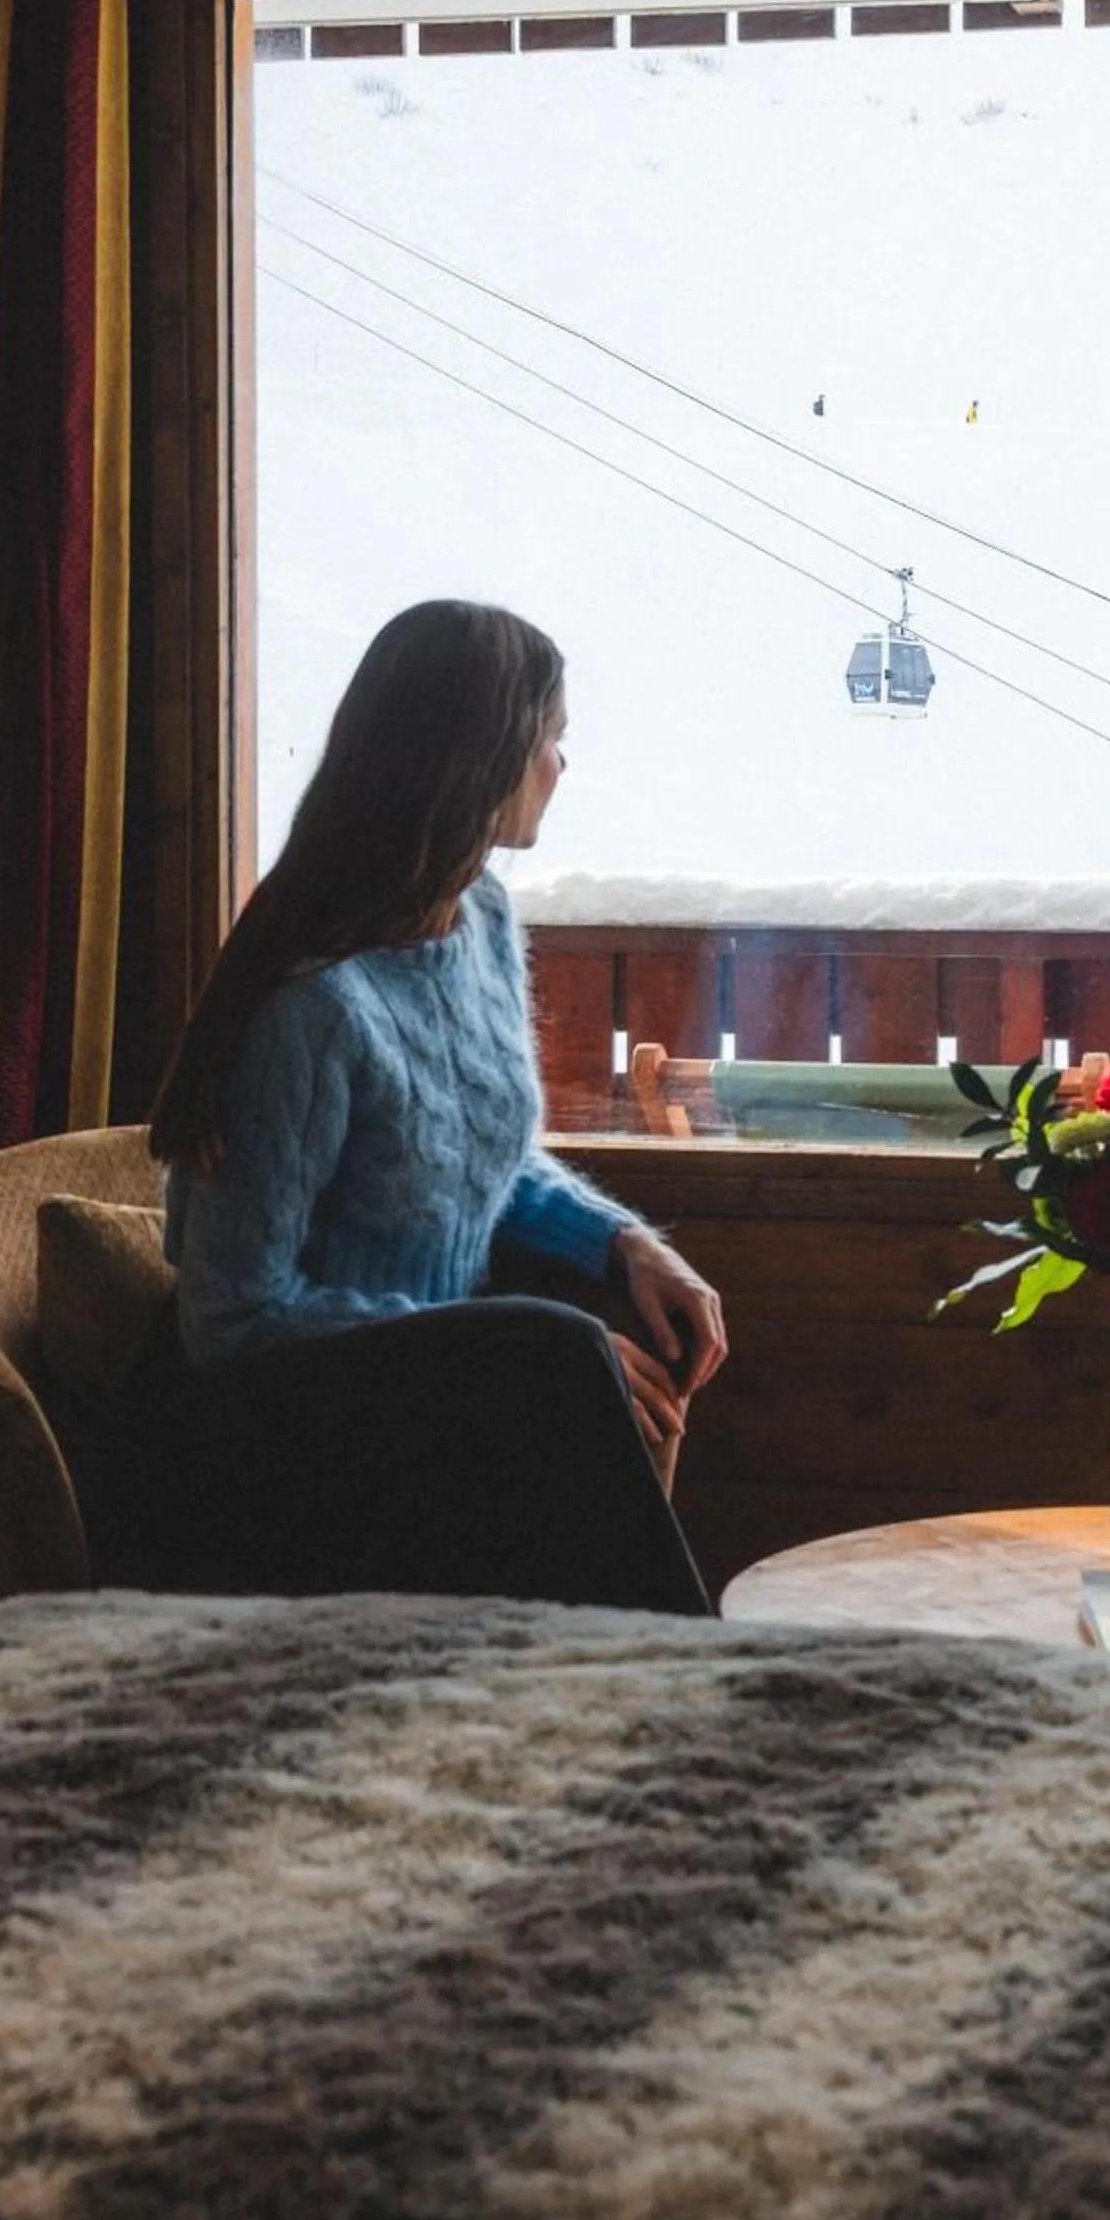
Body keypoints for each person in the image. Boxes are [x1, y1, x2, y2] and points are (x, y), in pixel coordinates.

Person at [136, 600, 722, 1615]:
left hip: (437, 1394)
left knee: (567, 1347)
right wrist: (478, 1344)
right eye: (548, 741)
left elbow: (474, 1151)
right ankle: (675, 1678)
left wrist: (625, 1245)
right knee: (555, 1353)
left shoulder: (483, 917)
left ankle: (630, 1681)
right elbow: (230, 1321)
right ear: (475, 760)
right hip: (275, 1433)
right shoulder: (311, 1007)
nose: (560, 768)